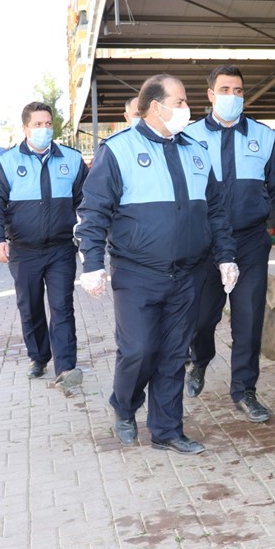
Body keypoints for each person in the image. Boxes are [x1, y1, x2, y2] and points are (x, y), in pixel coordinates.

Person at [75, 74, 237, 455]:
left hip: (188, 273)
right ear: (154, 107)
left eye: (185, 102)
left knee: (173, 354)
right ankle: (125, 408)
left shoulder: (196, 150)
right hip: (137, 274)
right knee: (139, 349)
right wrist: (93, 264)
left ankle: (167, 430)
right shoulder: (118, 150)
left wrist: (226, 255)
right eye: (179, 102)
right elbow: (94, 211)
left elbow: (215, 210)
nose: (187, 109)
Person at [183, 65, 275, 423]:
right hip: (205, 244)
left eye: (238, 90)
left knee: (248, 320)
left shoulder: (264, 137)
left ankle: (244, 391)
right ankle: (200, 359)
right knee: (201, 319)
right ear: (210, 95)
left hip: (250, 241)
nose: (233, 96)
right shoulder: (188, 137)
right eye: (225, 89)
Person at [0, 102, 88, 388]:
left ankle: (66, 368)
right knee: (30, 307)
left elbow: (86, 203)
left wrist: (87, 237)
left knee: (62, 306)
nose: (44, 129)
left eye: (47, 124)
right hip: (23, 250)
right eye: (38, 124)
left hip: (60, 250)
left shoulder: (72, 160)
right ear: (25, 128)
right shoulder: (6, 163)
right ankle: (39, 357)